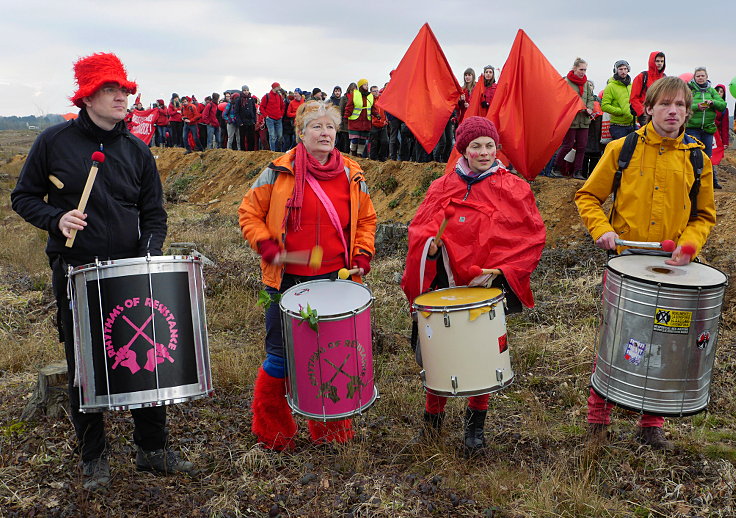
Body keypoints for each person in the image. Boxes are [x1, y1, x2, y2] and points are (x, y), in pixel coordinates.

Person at [10, 52, 194, 490]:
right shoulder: (53, 142)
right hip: (76, 269)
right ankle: (93, 455)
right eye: (111, 90)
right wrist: (56, 219)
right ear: (88, 96)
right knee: (84, 362)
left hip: (131, 271)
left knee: (149, 359)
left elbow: (154, 214)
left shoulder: (136, 151)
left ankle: (151, 448)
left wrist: (148, 255)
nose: (122, 98)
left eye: (125, 91)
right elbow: (23, 197)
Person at [575, 76, 716, 451]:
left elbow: (704, 215)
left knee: (666, 343)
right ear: (649, 108)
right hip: (626, 263)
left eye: (681, 106)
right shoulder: (623, 149)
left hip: (675, 270)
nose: (674, 111)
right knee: (616, 337)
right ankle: (597, 420)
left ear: (688, 111)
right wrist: (602, 229)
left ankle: (651, 422)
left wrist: (688, 245)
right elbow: (588, 196)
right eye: (666, 104)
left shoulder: (698, 157)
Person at [401, 117, 546, 455]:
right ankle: (432, 425)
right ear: (463, 149)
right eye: (476, 146)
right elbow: (420, 228)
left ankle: (474, 431)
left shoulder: (514, 187)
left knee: (481, 358)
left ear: (497, 148)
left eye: (489, 146)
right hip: (445, 285)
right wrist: (430, 247)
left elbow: (530, 238)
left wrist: (502, 270)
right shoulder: (443, 186)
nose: (483, 152)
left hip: (486, 288)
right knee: (439, 355)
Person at [238, 100, 377, 450]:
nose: (325, 132)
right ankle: (274, 434)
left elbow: (366, 221)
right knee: (280, 356)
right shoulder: (276, 171)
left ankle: (332, 431)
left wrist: (362, 252)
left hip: (335, 280)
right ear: (300, 132)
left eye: (330, 126)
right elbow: (248, 213)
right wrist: (266, 245)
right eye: (316, 126)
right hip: (283, 282)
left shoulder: (352, 172)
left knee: (330, 355)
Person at [550, 58, 595, 180]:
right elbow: (560, 100)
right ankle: (556, 168)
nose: (583, 72)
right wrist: (575, 108)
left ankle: (577, 172)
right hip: (571, 120)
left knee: (582, 146)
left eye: (585, 70)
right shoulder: (566, 82)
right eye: (581, 69)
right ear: (574, 68)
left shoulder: (586, 84)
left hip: (584, 120)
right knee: (567, 145)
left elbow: (591, 99)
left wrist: (589, 108)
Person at [685, 67, 726, 159]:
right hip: (692, 128)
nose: (700, 78)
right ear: (694, 77)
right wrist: (697, 106)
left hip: (708, 129)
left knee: (707, 157)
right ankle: (694, 173)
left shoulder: (711, 91)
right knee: (694, 155)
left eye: (702, 76)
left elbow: (723, 105)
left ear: (706, 77)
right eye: (698, 76)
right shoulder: (689, 90)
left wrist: (713, 102)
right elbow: (683, 105)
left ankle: (705, 173)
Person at [601, 60, 635, 140]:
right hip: (618, 127)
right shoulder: (610, 86)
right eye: (620, 69)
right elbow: (604, 106)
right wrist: (621, 111)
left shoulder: (632, 85)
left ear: (628, 70)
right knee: (621, 151)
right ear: (616, 71)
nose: (623, 71)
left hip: (632, 124)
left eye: (625, 69)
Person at [630, 51, 666, 126]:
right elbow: (633, 98)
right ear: (652, 61)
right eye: (657, 61)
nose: (660, 63)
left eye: (662, 61)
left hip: (660, 113)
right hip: (646, 114)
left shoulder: (664, 78)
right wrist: (642, 113)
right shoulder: (642, 77)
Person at [344, 79, 373, 157]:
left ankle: (359, 153)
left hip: (365, 121)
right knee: (355, 139)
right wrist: (346, 116)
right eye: (364, 85)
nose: (366, 86)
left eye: (367, 84)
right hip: (355, 121)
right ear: (360, 86)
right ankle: (352, 151)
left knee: (363, 139)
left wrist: (376, 114)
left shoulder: (370, 96)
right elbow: (349, 106)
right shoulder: (355, 94)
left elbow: (372, 107)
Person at [712, 84, 729, 189]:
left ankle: (714, 180)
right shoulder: (709, 105)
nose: (719, 93)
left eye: (721, 91)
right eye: (717, 91)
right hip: (705, 132)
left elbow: (725, 126)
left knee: (712, 157)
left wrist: (725, 142)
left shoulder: (724, 110)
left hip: (716, 136)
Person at [261, 82, 285, 151]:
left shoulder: (279, 96)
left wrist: (281, 114)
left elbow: (282, 106)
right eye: (278, 87)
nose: (280, 88)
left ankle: (278, 151)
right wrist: (266, 116)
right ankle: (273, 151)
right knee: (272, 136)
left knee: (280, 136)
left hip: (278, 118)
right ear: (275, 87)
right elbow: (262, 107)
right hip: (270, 119)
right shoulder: (266, 96)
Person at [369, 86, 389, 161]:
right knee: (374, 143)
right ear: (371, 92)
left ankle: (382, 158)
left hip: (383, 124)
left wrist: (386, 119)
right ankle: (373, 159)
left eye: (377, 91)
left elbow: (386, 109)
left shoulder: (382, 98)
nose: (376, 92)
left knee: (385, 141)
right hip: (374, 124)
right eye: (374, 91)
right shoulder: (370, 100)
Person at [237, 85, 258, 151]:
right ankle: (243, 151)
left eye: (247, 90)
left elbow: (254, 110)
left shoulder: (251, 99)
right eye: (244, 90)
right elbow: (236, 112)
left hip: (251, 121)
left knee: (251, 138)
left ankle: (251, 151)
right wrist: (239, 122)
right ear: (242, 91)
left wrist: (254, 120)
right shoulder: (239, 100)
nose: (246, 92)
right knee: (242, 138)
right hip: (242, 122)